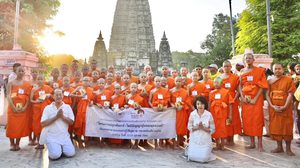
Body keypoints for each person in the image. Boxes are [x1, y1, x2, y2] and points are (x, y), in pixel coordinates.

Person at [238, 51, 268, 152]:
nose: (248, 59)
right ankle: (252, 143)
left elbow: (262, 86)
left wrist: (255, 98)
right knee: (248, 120)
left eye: (250, 58)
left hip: (256, 99)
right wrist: (242, 97)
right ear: (244, 60)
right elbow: (239, 85)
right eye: (246, 58)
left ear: (253, 60)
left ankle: (260, 144)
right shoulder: (242, 71)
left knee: (257, 120)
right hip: (246, 99)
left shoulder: (259, 71)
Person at [266, 64, 296, 156]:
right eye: (275, 69)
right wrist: (272, 105)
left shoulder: (288, 79)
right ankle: (279, 147)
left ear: (283, 70)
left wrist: (285, 106)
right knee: (276, 127)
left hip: (286, 108)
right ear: (273, 70)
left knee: (287, 127)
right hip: (273, 108)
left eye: (279, 69)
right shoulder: (270, 81)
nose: (277, 70)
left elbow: (290, 94)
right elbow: (267, 94)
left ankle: (288, 149)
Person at [40, 89, 75, 160]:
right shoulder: (47, 108)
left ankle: (60, 148)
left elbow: (71, 122)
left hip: (64, 136)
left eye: (60, 95)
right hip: (52, 137)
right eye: (56, 95)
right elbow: (43, 123)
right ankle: (54, 147)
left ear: (63, 96)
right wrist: (56, 117)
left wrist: (62, 117)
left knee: (71, 153)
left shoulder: (67, 107)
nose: (58, 97)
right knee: (55, 156)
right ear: (53, 96)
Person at [6, 66, 31, 151]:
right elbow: (8, 95)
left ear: (24, 73)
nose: (21, 72)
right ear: (15, 72)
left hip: (22, 109)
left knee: (19, 126)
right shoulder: (10, 83)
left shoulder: (27, 84)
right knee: (11, 126)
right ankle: (12, 143)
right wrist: (13, 107)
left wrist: (25, 107)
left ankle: (17, 143)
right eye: (19, 71)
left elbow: (28, 97)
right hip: (12, 109)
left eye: (22, 71)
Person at [187, 96, 216, 163]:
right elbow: (189, 127)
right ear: (195, 105)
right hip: (195, 139)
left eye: (202, 104)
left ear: (205, 105)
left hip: (205, 140)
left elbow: (213, 129)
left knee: (203, 159)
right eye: (198, 104)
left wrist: (203, 128)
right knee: (192, 157)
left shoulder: (209, 114)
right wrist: (197, 127)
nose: (200, 106)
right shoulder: (192, 114)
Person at [220, 60, 242, 145]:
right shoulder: (219, 78)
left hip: (233, 101)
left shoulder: (235, 77)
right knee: (224, 118)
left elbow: (238, 90)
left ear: (231, 67)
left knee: (232, 119)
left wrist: (234, 99)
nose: (226, 68)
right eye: (225, 66)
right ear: (222, 67)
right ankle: (225, 137)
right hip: (223, 102)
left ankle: (231, 138)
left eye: (228, 66)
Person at [209, 77, 233, 150]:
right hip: (214, 113)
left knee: (223, 129)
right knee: (215, 128)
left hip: (223, 113)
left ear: (221, 83)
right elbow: (209, 103)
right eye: (215, 82)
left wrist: (230, 115)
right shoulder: (211, 92)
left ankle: (222, 145)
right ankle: (217, 144)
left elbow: (230, 104)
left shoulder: (226, 92)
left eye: (218, 82)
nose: (216, 84)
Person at [30, 74, 53, 149]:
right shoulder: (34, 89)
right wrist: (36, 102)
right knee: (37, 126)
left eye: (41, 79)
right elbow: (31, 100)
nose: (40, 81)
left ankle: (49, 143)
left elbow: (53, 96)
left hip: (46, 109)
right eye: (38, 79)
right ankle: (40, 143)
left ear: (44, 80)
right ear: (36, 80)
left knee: (46, 125)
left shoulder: (47, 87)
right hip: (37, 109)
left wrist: (48, 95)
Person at [170, 77, 189, 148]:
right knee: (174, 126)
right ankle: (175, 141)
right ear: (174, 82)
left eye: (179, 81)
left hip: (182, 111)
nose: (178, 82)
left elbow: (187, 101)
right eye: (176, 81)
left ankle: (180, 139)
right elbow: (170, 101)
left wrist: (182, 106)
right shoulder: (171, 91)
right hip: (174, 111)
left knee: (181, 126)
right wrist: (173, 105)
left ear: (182, 82)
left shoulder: (185, 91)